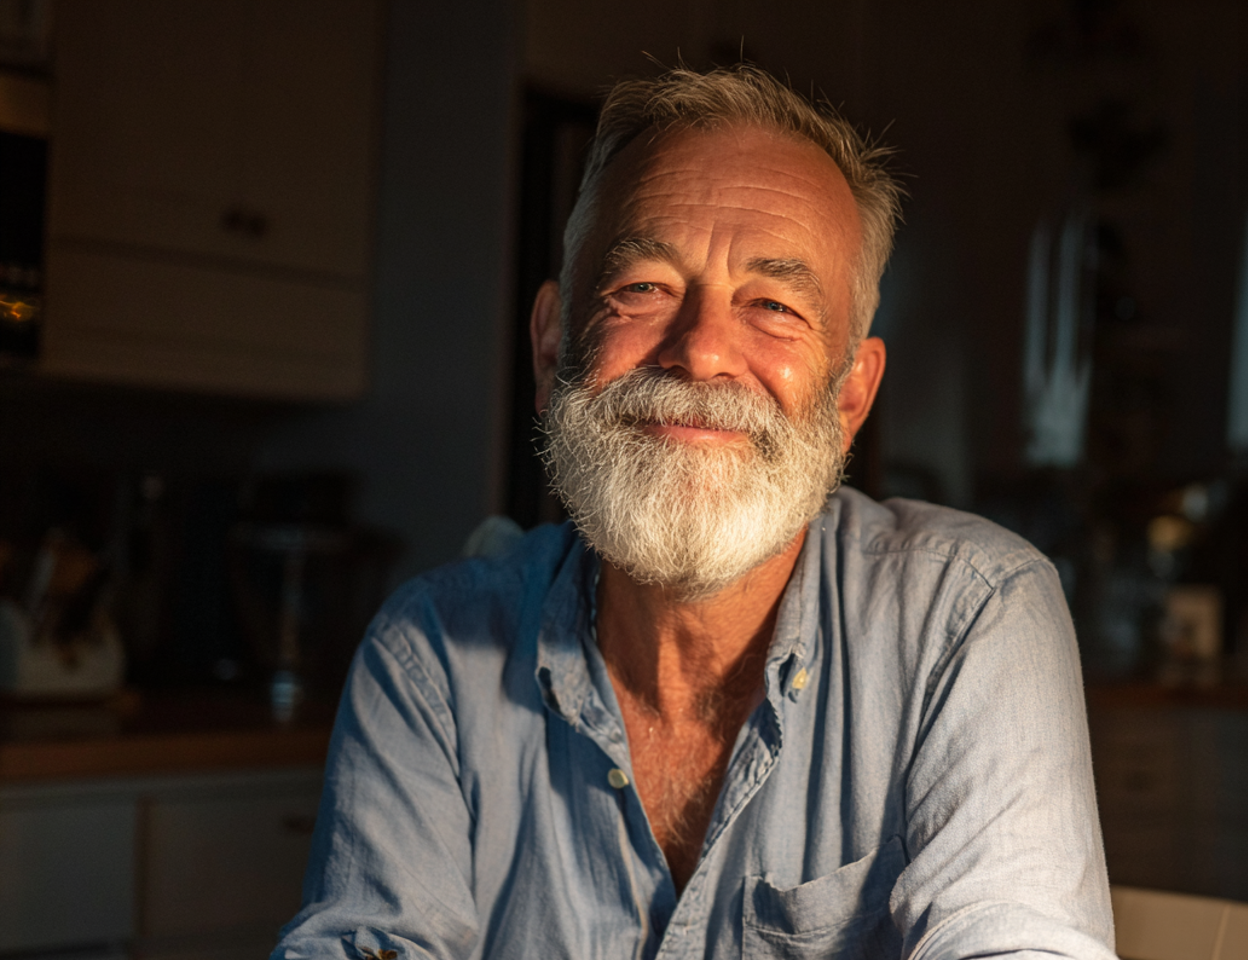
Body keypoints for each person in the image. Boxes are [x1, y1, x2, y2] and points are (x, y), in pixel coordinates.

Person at [273, 66, 1116, 960]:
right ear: (554, 342)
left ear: (850, 397)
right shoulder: (430, 657)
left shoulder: (970, 618)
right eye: (643, 288)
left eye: (775, 306)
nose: (702, 350)